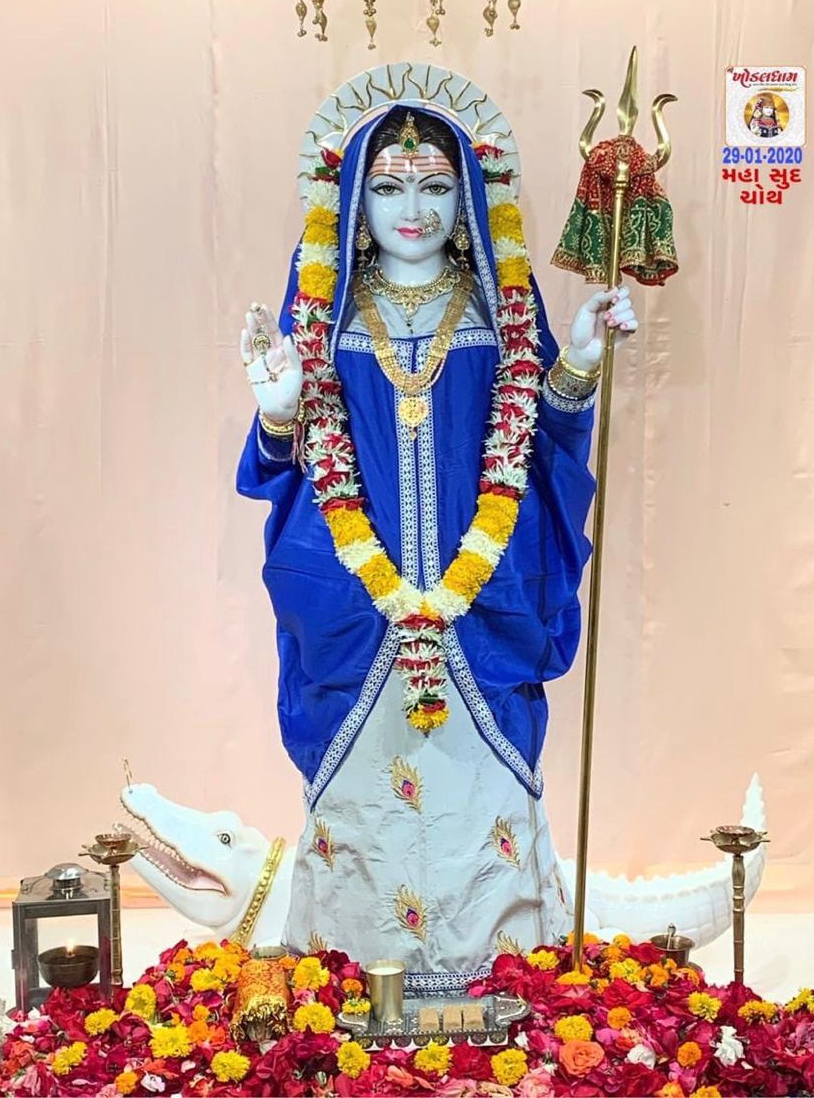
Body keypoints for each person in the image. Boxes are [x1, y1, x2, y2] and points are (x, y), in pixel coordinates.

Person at [237, 102, 638, 989]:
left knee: (476, 799)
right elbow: (283, 466)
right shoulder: (326, 315)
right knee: (364, 804)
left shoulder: (498, 311)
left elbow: (542, 441)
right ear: (352, 202)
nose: (412, 209)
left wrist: (576, 361)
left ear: (468, 202)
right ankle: (353, 979)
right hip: (357, 606)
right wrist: (278, 410)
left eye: (433, 187)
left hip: (482, 600)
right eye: (388, 189)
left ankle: (497, 979)